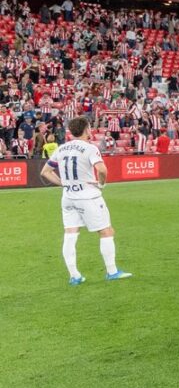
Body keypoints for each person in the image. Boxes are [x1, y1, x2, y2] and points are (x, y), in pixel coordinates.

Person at [39, 117, 132, 285]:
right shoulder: (89, 148)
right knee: (106, 231)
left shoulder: (62, 148)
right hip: (88, 196)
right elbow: (102, 169)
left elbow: (45, 172)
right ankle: (112, 271)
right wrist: (102, 184)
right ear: (87, 129)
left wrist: (64, 184)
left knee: (70, 234)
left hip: (68, 197)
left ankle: (74, 276)